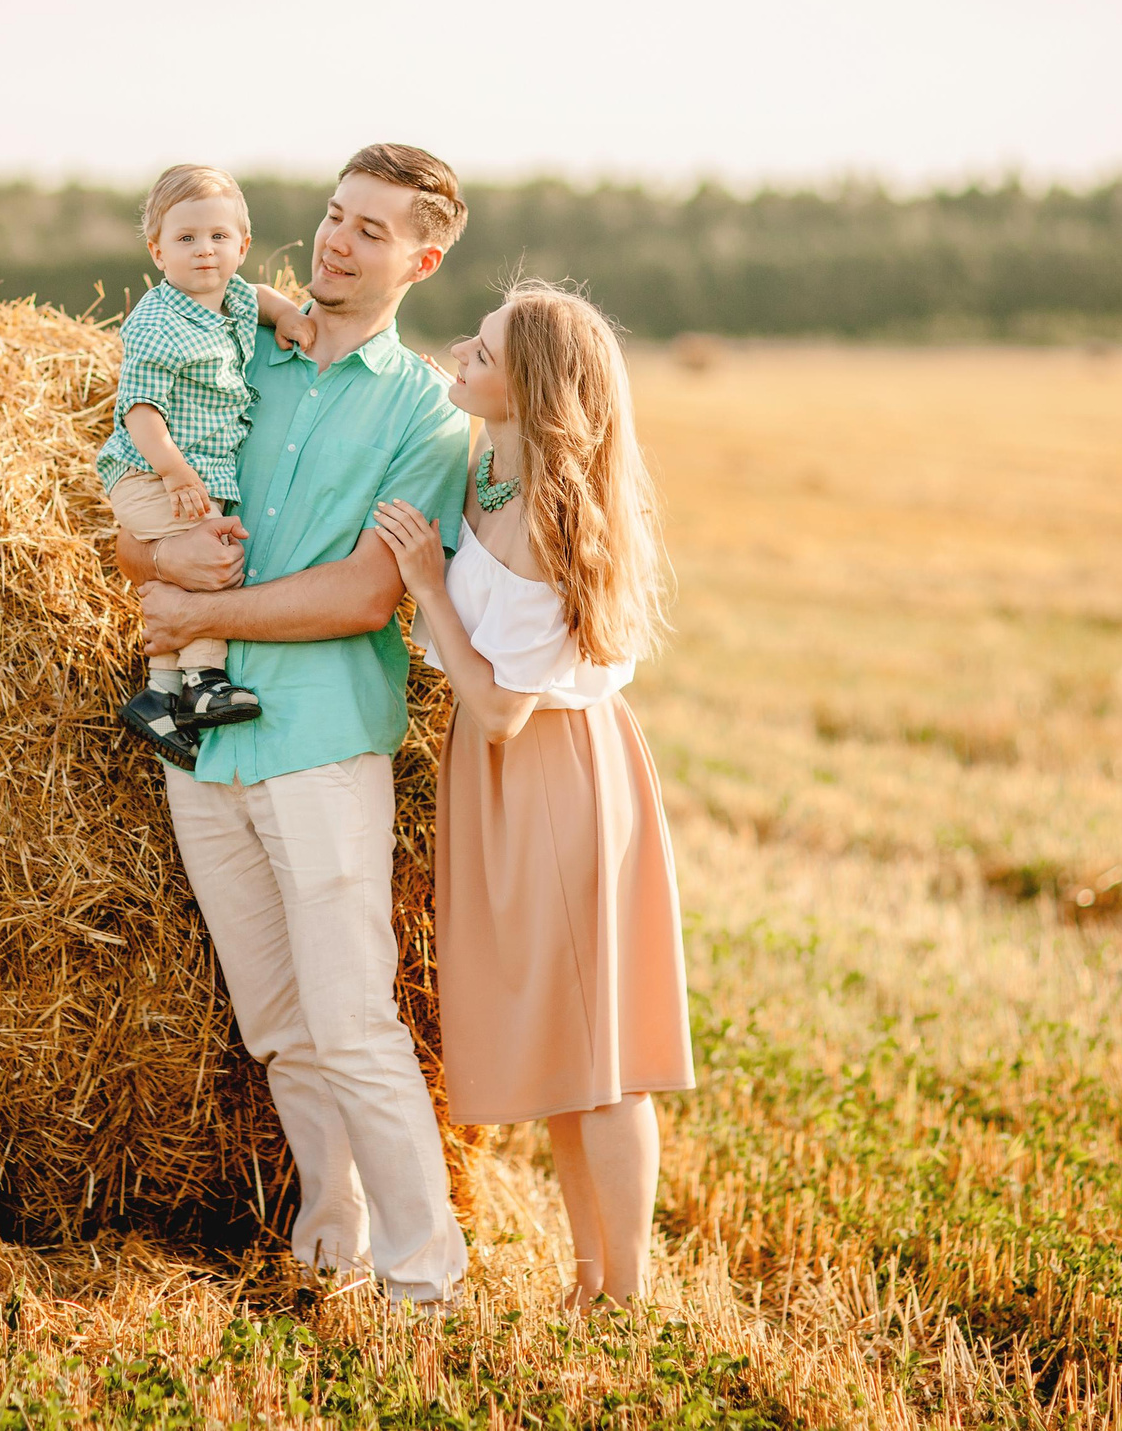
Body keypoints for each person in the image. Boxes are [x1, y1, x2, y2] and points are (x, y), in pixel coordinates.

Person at [125, 143, 474, 1305]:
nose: (336, 240)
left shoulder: (424, 411)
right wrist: (159, 568)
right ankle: (335, 1244)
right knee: (276, 1022)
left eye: (371, 230)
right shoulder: (234, 354)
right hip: (206, 742)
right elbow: (136, 533)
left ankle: (427, 1287)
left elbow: (365, 594)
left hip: (322, 743)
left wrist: (203, 604)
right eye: (333, 216)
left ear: (419, 260)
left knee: (352, 1019)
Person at [370, 280, 694, 1309]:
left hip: (549, 776)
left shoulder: (549, 518)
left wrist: (425, 585)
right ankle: (587, 1280)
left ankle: (627, 1296)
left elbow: (502, 708)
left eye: (485, 347)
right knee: (567, 1046)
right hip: (507, 781)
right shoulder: (494, 476)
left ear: (533, 387)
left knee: (600, 1054)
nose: (460, 351)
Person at [99, 164, 318, 765]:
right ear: (157, 251)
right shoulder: (156, 318)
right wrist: (171, 470)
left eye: (220, 237)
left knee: (187, 565)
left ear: (242, 246)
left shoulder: (238, 299)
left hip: (197, 475)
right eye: (186, 239)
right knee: (207, 559)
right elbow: (139, 411)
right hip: (151, 471)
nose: (205, 251)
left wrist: (292, 318)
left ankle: (160, 694)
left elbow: (264, 298)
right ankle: (204, 682)